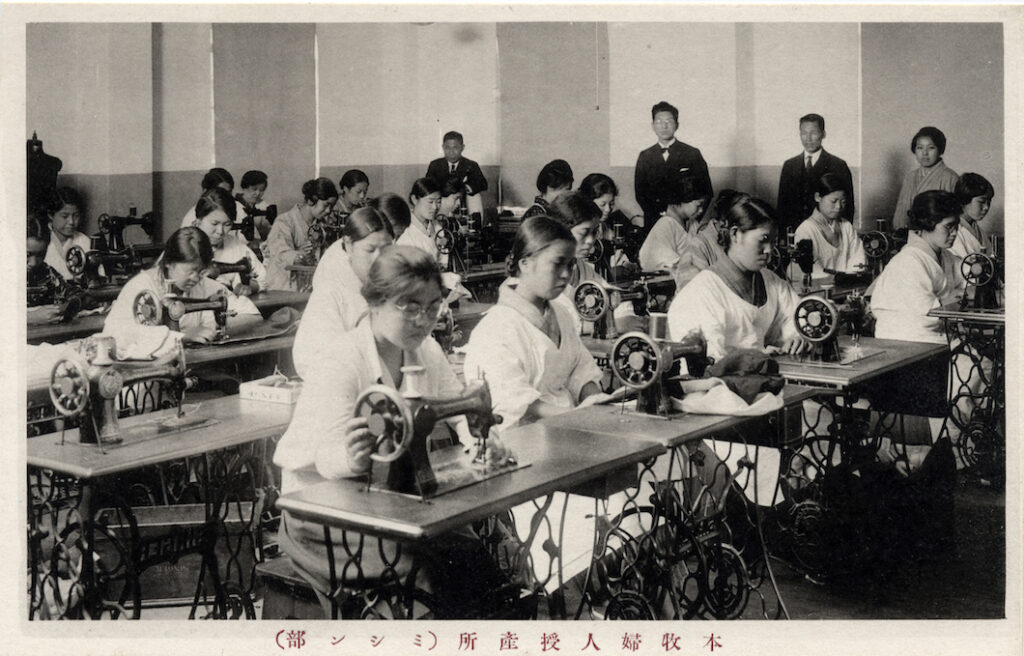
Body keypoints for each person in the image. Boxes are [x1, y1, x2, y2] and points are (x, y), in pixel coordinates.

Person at [273, 245, 510, 618]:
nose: (424, 320)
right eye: (411, 308)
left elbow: (460, 411)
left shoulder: (426, 350)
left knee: (473, 558)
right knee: (421, 572)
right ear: (375, 303)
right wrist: (352, 458)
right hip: (319, 511)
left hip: (386, 502)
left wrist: (485, 440)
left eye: (433, 307)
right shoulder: (341, 359)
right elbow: (325, 455)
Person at [463, 216, 615, 434]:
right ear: (525, 264)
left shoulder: (561, 312)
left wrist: (595, 400)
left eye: (570, 265)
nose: (566, 275)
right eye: (557, 264)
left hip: (568, 425)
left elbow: (580, 368)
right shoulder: (495, 329)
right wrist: (575, 415)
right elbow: (514, 401)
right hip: (524, 435)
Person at [667, 197, 808, 362]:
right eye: (763, 240)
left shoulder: (771, 282)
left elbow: (797, 318)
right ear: (735, 234)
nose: (769, 250)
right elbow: (710, 364)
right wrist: (757, 357)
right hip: (720, 378)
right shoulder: (699, 295)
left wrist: (797, 338)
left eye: (773, 241)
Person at [291, 206, 395, 379]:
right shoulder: (330, 293)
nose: (378, 259)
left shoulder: (393, 288)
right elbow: (314, 360)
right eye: (370, 250)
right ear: (349, 245)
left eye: (386, 250)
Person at [103, 228, 235, 344]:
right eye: (190, 272)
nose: (195, 278)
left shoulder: (203, 283)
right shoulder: (141, 285)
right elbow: (115, 334)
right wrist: (179, 337)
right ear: (169, 263)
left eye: (201, 272)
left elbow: (239, 307)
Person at [871, 190, 964, 344]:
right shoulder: (908, 262)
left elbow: (969, 279)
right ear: (928, 223)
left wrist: (955, 297)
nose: (954, 233)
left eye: (956, 226)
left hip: (935, 335)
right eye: (948, 227)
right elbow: (929, 315)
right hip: (907, 339)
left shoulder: (946, 257)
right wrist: (960, 296)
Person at [548, 192, 638, 336]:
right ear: (561, 231)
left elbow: (611, 296)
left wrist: (624, 316)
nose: (590, 240)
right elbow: (551, 324)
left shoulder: (579, 267)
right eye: (584, 233)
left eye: (594, 232)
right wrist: (599, 325)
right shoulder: (542, 272)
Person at [634, 101, 713, 233]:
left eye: (669, 121)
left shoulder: (692, 153)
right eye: (659, 121)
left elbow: (706, 192)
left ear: (677, 125)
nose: (664, 126)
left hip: (685, 224)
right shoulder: (645, 156)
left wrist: (693, 220)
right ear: (653, 126)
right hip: (654, 224)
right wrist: (662, 214)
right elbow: (640, 194)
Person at [776, 113, 855, 233]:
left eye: (813, 133)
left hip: (826, 234)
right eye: (804, 133)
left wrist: (841, 237)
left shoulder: (838, 166)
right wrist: (783, 236)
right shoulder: (789, 166)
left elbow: (848, 208)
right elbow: (782, 207)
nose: (808, 138)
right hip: (794, 234)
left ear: (823, 134)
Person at [638, 171, 710, 290]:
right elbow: (653, 259)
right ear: (681, 200)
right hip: (670, 287)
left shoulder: (692, 223)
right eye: (698, 205)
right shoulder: (665, 224)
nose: (701, 210)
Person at [265, 178, 338, 291]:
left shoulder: (321, 225)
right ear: (311, 201)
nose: (328, 211)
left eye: (331, 206)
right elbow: (280, 254)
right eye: (326, 205)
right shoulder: (284, 221)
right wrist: (301, 256)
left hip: (308, 285)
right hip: (282, 287)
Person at [193, 187, 268, 296]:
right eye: (214, 223)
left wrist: (251, 286)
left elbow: (264, 278)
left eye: (227, 224)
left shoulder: (235, 246)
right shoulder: (183, 244)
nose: (220, 231)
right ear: (198, 221)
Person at [792, 173, 867, 275]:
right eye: (833, 201)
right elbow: (812, 270)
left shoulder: (846, 226)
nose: (839, 206)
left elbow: (858, 259)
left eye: (843, 201)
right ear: (818, 197)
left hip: (848, 282)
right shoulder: (806, 230)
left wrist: (849, 278)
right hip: (818, 284)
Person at [891, 127, 960, 230]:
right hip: (909, 234)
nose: (925, 153)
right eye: (920, 148)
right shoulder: (910, 177)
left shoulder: (950, 177)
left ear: (940, 150)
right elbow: (901, 213)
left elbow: (955, 217)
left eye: (931, 148)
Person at [577, 172, 642, 271]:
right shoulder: (579, 229)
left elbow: (613, 256)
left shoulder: (604, 227)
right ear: (587, 201)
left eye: (611, 204)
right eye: (602, 204)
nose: (608, 209)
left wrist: (625, 263)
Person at [27, 212, 72, 324]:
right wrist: (30, 317)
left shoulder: (49, 274)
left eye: (41, 255)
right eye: (27, 254)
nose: (33, 263)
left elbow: (72, 295)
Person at [42, 187, 92, 280]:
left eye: (76, 216)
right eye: (65, 216)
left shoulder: (84, 241)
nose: (71, 222)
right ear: (50, 215)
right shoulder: (41, 240)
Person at [425, 130, 488, 199]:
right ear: (443, 147)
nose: (451, 152)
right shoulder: (435, 165)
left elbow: (483, 184)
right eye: (447, 148)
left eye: (455, 148)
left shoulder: (471, 165)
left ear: (462, 147)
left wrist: (466, 188)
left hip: (463, 201)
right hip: (441, 202)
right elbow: (427, 186)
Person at [180, 167, 247, 229]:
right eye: (220, 192)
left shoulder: (240, 209)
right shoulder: (191, 218)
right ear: (205, 192)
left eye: (228, 192)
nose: (225, 197)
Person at [949, 172, 995, 259]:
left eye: (989, 202)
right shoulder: (954, 232)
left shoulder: (979, 231)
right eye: (981, 202)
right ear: (965, 200)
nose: (986, 207)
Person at [396, 178, 443, 260]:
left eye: (438, 202)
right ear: (414, 199)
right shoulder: (404, 229)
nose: (435, 207)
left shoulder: (437, 227)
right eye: (430, 202)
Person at [236, 170, 273, 240]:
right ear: (244, 187)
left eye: (261, 190)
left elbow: (269, 230)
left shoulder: (263, 206)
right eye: (254, 189)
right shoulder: (234, 206)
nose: (258, 193)